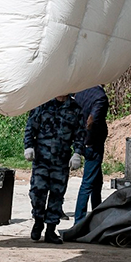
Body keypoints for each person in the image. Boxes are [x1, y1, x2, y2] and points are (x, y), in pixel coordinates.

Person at [24, 94, 85, 244]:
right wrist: (29, 146)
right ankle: (38, 221)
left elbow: (80, 134)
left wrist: (77, 153)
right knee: (37, 193)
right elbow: (31, 127)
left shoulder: (75, 109)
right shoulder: (42, 103)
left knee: (57, 195)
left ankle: (51, 229)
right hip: (41, 159)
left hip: (61, 160)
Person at [73, 85, 109, 223]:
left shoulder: (82, 90)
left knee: (97, 181)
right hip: (93, 143)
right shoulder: (101, 97)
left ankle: (97, 212)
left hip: (83, 141)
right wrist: (88, 141)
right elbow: (92, 120)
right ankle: (79, 220)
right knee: (87, 183)